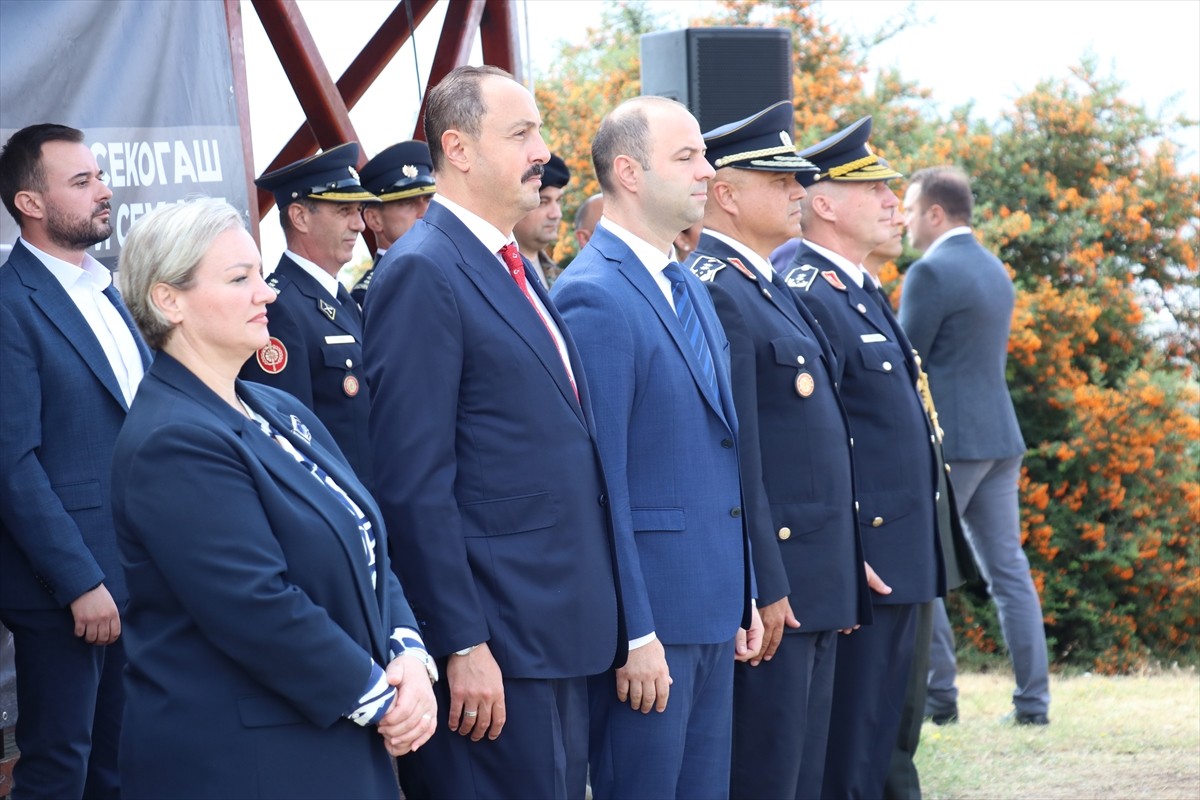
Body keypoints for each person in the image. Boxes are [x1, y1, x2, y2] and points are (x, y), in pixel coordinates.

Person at [109, 198, 437, 798]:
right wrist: (383, 698)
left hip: (328, 740)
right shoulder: (172, 440)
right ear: (168, 300)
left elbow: (366, 540)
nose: (268, 294)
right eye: (241, 279)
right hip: (250, 764)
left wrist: (410, 655)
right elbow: (256, 604)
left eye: (260, 275)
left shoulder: (277, 408)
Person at [361, 65, 622, 800]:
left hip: (558, 628)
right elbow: (414, 485)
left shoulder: (510, 263)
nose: (542, 150)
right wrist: (462, 642)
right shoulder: (423, 270)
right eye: (521, 133)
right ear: (460, 149)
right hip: (499, 642)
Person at [551, 95, 762, 800]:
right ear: (629, 172)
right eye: (688, 156)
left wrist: (745, 595)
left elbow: (720, 451)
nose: (708, 171)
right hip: (651, 628)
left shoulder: (686, 284)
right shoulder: (594, 296)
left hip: (708, 605)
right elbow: (599, 480)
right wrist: (633, 632)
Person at [685, 101, 872, 800]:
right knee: (768, 775)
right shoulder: (719, 289)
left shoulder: (769, 285)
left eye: (798, 181)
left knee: (804, 776)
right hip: (778, 588)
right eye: (780, 181)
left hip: (812, 577)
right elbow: (741, 454)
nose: (799, 192)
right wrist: (765, 581)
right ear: (725, 194)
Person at [780, 116, 945, 800]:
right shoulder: (807, 288)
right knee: (856, 750)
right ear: (824, 203)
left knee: (889, 741)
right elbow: (812, 443)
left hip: (899, 554)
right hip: (868, 561)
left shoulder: (856, 286)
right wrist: (849, 546)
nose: (891, 201)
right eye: (874, 187)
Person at [0, 123, 151, 799]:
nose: (104, 191)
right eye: (82, 181)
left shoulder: (104, 290)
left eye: (101, 176)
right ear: (31, 203)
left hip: (136, 572)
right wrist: (78, 581)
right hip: (66, 591)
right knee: (60, 768)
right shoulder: (9, 306)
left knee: (120, 766)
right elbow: (11, 463)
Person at [899, 166, 1048, 726]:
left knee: (925, 562)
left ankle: (940, 700)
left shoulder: (930, 272)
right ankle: (1033, 704)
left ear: (936, 213)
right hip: (1000, 437)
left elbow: (904, 361)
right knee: (1008, 568)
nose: (905, 218)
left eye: (911, 209)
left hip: (953, 444)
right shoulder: (995, 270)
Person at [872, 215, 979, 800]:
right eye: (878, 193)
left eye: (901, 196)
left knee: (930, 568)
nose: (897, 210)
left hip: (942, 464)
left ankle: (943, 696)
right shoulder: (984, 265)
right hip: (885, 530)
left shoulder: (915, 276)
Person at [239, 143, 378, 484]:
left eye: (359, 210)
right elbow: (289, 441)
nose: (359, 225)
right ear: (300, 216)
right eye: (344, 210)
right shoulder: (279, 307)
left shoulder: (341, 299)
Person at [352, 139, 437, 306]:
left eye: (428, 200)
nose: (424, 212)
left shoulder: (448, 273)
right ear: (374, 219)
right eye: (407, 203)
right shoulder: (369, 296)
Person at [513, 153, 570, 287]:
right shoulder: (499, 272)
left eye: (559, 201)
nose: (556, 214)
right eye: (543, 202)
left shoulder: (562, 278)